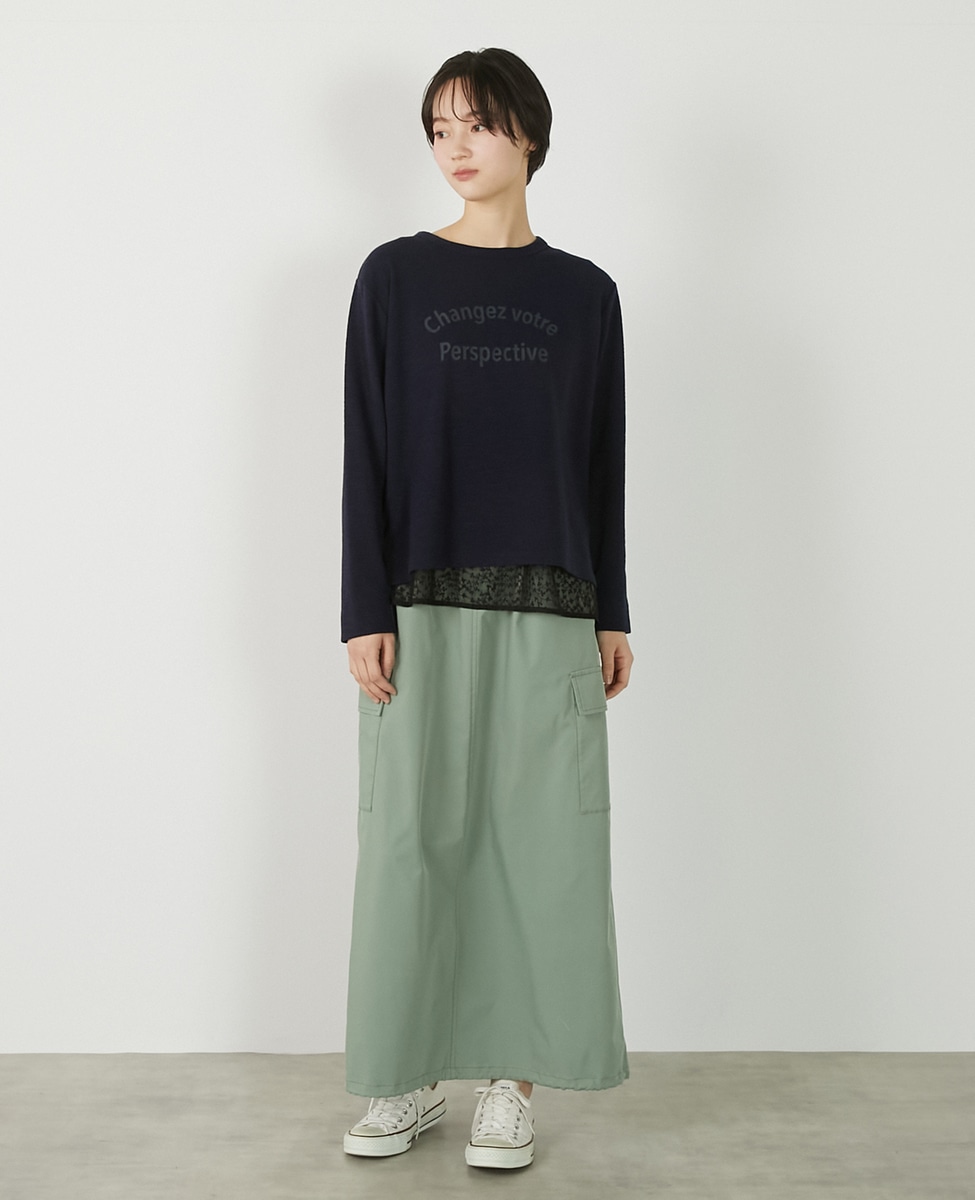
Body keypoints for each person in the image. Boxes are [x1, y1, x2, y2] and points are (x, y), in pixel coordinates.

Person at [339, 46, 633, 1171]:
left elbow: (601, 463)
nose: (455, 147)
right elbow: (365, 450)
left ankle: (512, 1082)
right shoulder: (394, 277)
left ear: (529, 134)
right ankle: (408, 1076)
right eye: (438, 128)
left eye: (476, 123)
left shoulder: (585, 295)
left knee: (542, 847)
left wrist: (612, 609)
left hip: (553, 605)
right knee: (411, 842)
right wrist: (362, 605)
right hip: (418, 602)